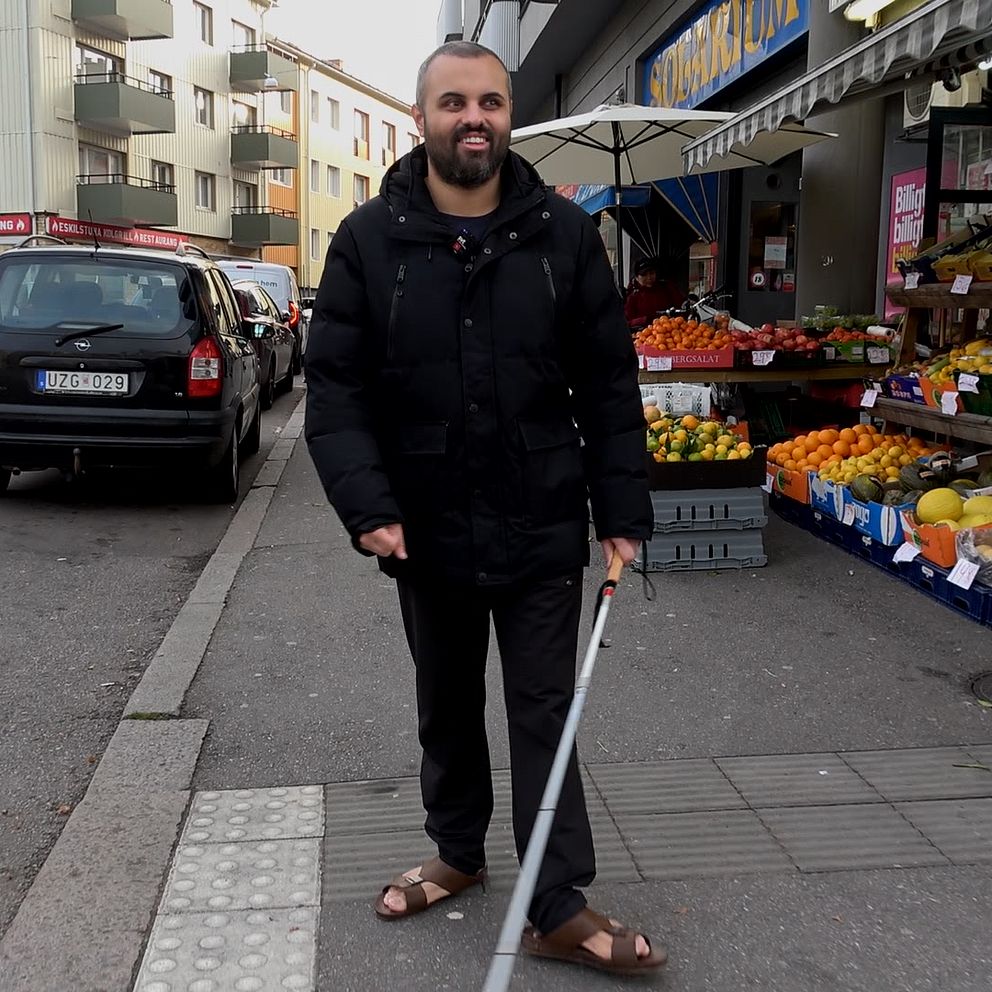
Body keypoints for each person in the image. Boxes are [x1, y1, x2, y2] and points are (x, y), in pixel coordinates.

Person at [304, 40, 664, 977]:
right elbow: (335, 389)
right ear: (421, 117)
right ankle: (458, 851)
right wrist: (366, 503)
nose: (475, 118)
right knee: (448, 701)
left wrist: (622, 509)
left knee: (546, 710)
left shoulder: (564, 236)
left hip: (541, 516)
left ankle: (558, 904)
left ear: (509, 116)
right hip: (425, 525)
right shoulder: (368, 241)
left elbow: (607, 384)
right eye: (455, 102)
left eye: (492, 102)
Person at [623, 257, 683, 328]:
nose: (649, 277)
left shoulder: (667, 288)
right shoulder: (632, 296)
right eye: (644, 274)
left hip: (670, 330)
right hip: (644, 333)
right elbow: (626, 323)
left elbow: (681, 306)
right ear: (636, 277)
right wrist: (644, 320)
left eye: (651, 273)